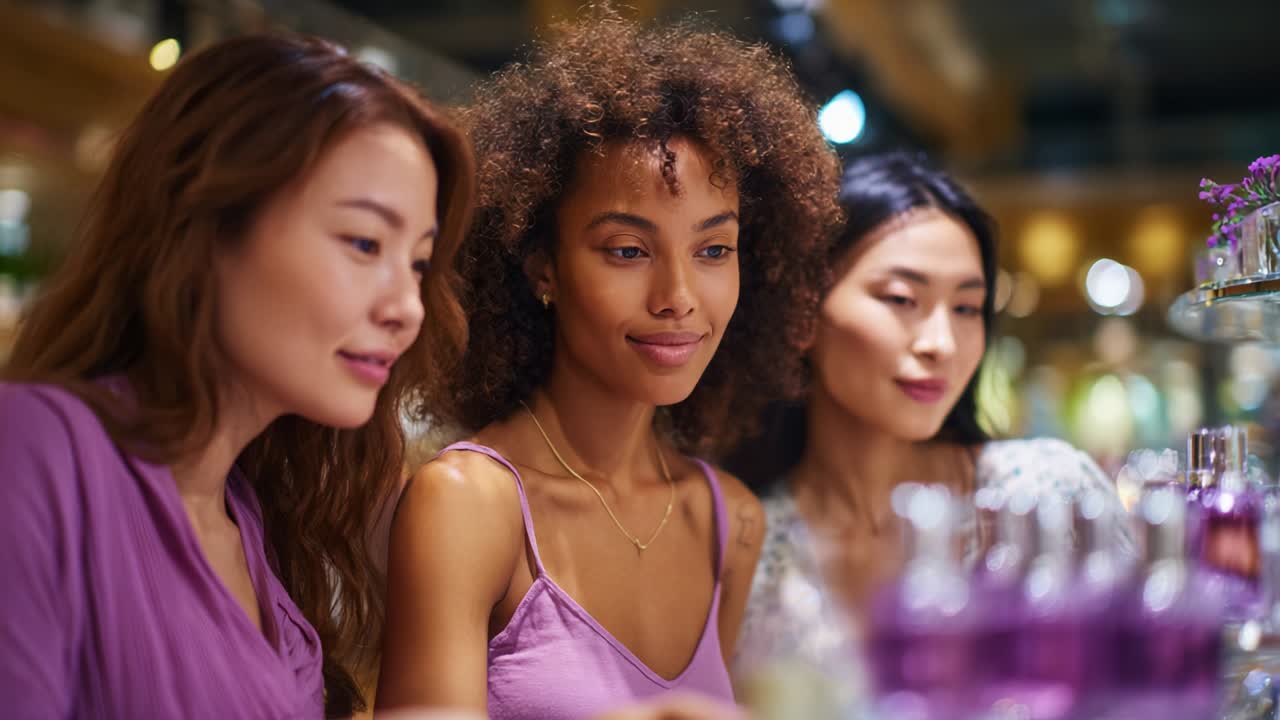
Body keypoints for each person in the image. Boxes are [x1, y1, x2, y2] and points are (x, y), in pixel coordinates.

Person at [376, 8, 842, 719]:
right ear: (542, 268)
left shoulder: (731, 523)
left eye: (713, 250)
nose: (678, 298)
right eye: (628, 250)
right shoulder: (469, 504)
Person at [0, 33, 475, 719]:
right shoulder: (37, 448)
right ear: (209, 227)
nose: (406, 309)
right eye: (365, 243)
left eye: (419, 263)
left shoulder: (250, 520)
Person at [728, 151, 1135, 699]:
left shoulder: (1049, 494)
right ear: (803, 314)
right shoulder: (748, 544)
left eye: (967, 309)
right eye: (902, 299)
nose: (941, 344)